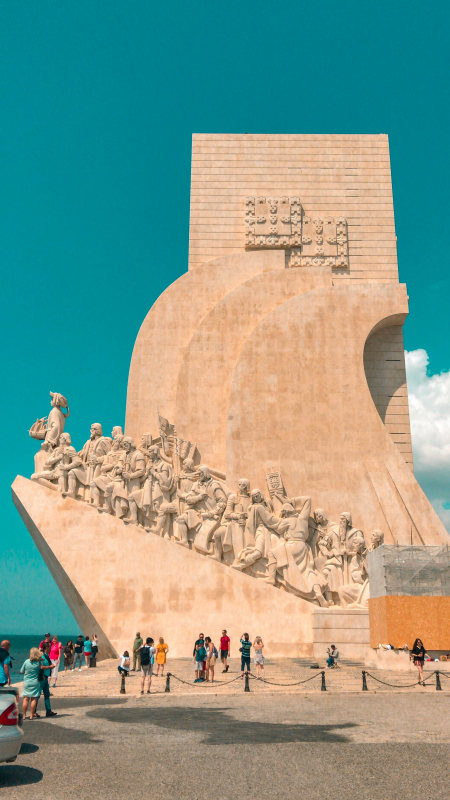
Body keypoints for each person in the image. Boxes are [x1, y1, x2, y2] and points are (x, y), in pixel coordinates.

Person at [20, 648, 44, 720]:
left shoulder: (26, 661)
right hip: (35, 682)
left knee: (26, 699)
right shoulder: (38, 663)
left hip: (27, 682)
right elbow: (41, 669)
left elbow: (21, 671)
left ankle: (24, 715)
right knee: (34, 699)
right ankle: (31, 715)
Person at [39, 643, 57, 717]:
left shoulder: (46, 656)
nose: (51, 649)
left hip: (46, 677)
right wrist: (49, 667)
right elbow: (41, 666)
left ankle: (48, 711)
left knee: (47, 695)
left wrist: (50, 667)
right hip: (42, 677)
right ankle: (33, 712)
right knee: (37, 695)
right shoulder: (42, 656)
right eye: (50, 647)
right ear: (46, 648)